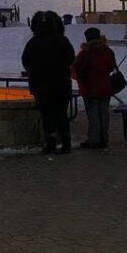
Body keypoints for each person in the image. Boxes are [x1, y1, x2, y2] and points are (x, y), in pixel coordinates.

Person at [21, 11, 76, 154]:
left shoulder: (33, 42)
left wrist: (34, 70)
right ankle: (66, 143)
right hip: (62, 84)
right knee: (62, 114)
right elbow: (71, 59)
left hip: (41, 84)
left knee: (47, 114)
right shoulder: (63, 41)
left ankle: (50, 143)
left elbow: (25, 60)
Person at [71, 27, 117, 149]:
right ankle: (104, 139)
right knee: (104, 114)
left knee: (93, 115)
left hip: (89, 88)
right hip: (105, 87)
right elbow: (112, 66)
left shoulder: (85, 53)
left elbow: (77, 69)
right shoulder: (107, 51)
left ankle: (94, 140)